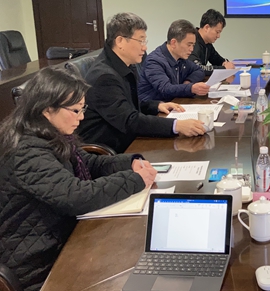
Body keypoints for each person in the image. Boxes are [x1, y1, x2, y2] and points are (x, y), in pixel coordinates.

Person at [0, 67, 157, 291]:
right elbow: (77, 196)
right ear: (47, 109)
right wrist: (135, 180)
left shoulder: (50, 135)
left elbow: (88, 163)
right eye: (75, 110)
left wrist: (128, 163)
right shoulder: (27, 151)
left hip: (60, 237)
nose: (82, 117)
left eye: (83, 109)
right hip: (37, 263)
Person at [77, 13, 206, 154]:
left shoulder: (123, 66)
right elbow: (129, 120)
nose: (144, 48)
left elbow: (128, 105)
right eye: (141, 41)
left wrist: (156, 105)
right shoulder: (105, 77)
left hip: (128, 138)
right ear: (120, 41)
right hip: (111, 151)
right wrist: (176, 125)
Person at [138, 19, 210, 102]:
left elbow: (199, 70)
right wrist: (191, 88)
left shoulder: (181, 58)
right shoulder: (154, 61)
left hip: (174, 102)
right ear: (173, 43)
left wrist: (188, 82)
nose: (191, 49)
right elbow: (165, 88)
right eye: (189, 45)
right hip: (155, 107)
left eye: (193, 45)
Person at [189, 9, 235, 75]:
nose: (218, 36)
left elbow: (217, 59)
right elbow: (197, 68)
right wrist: (224, 68)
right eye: (217, 32)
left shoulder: (207, 43)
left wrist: (225, 63)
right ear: (207, 27)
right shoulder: (192, 42)